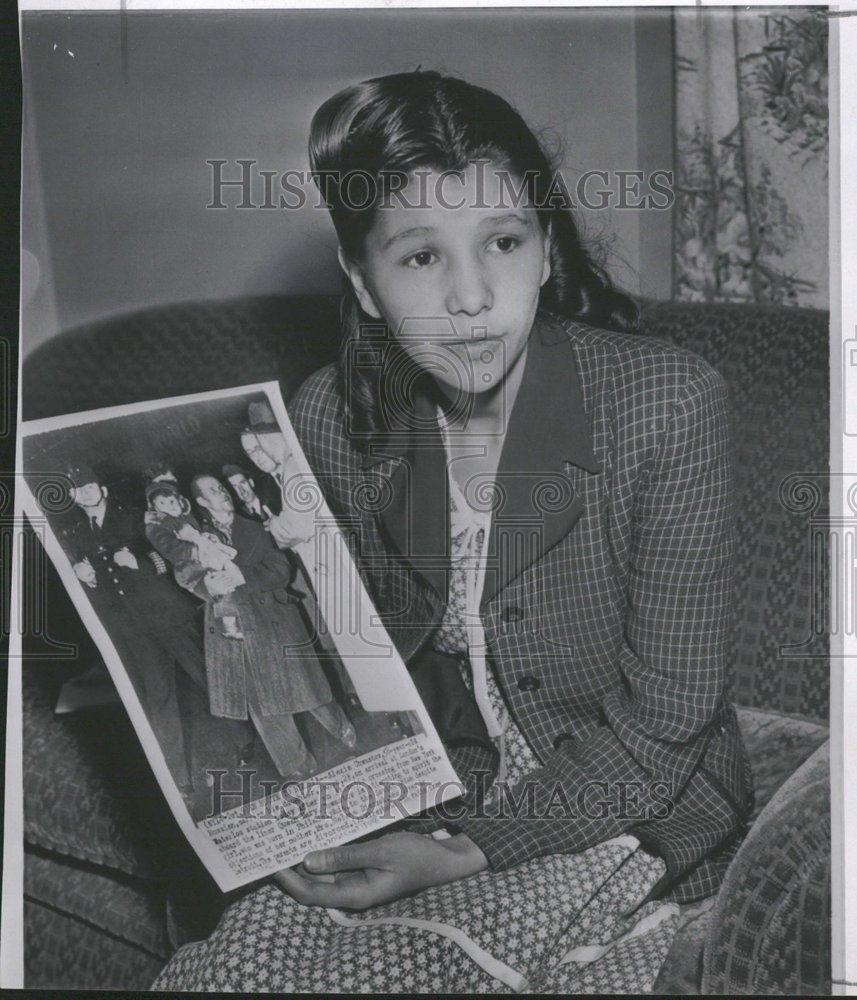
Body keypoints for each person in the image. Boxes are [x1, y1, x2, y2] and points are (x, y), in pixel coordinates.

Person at [155, 71, 753, 993]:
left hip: (634, 809)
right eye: (421, 258)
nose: (472, 298)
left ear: (547, 251)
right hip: (437, 801)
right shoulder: (327, 419)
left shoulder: (667, 405)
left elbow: (668, 725)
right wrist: (310, 814)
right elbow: (356, 681)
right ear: (363, 283)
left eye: (502, 242)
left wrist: (466, 852)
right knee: (243, 965)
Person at [187, 473, 357, 779]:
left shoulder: (251, 526)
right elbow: (184, 573)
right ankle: (295, 767)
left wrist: (244, 578)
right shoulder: (196, 537)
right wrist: (205, 584)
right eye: (213, 490)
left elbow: (281, 569)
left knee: (307, 689)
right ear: (201, 502)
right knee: (263, 703)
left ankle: (341, 728)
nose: (222, 492)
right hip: (234, 623)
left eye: (222, 487)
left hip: (274, 618)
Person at [56, 463, 207, 794]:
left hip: (167, 614)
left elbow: (171, 556)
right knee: (159, 696)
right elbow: (98, 584)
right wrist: (84, 578)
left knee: (204, 675)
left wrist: (141, 563)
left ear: (103, 489)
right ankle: (179, 777)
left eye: (91, 485)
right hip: (134, 628)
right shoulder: (77, 534)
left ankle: (248, 736)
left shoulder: (138, 514)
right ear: (74, 499)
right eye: (80, 490)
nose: (87, 492)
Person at [144, 479, 244, 640]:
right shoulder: (156, 527)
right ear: (155, 508)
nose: (170, 505)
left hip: (210, 560)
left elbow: (202, 532)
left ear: (179, 500)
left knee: (234, 578)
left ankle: (239, 618)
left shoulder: (186, 517)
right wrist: (196, 551)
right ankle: (228, 627)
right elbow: (170, 548)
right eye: (162, 503)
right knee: (220, 589)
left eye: (171, 500)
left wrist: (210, 537)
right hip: (191, 572)